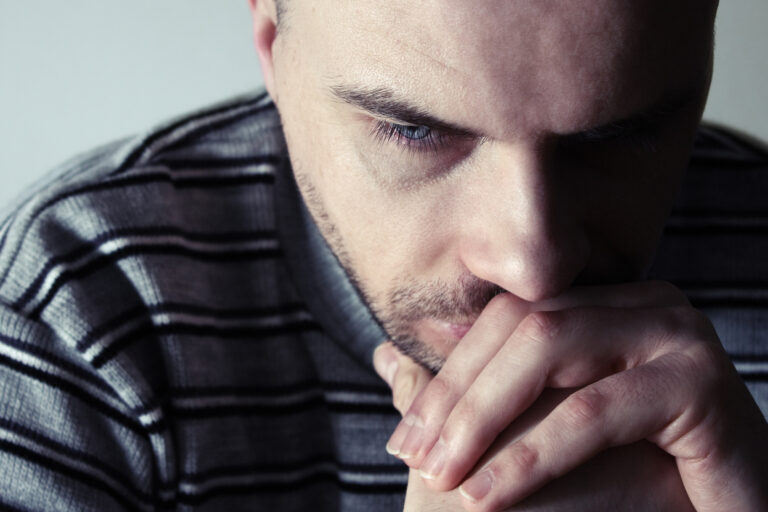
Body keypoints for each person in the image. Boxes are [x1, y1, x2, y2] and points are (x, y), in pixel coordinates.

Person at [0, 0, 765, 510]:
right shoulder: (76, 301)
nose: (531, 265)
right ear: (272, 47)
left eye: (622, 135)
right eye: (416, 132)